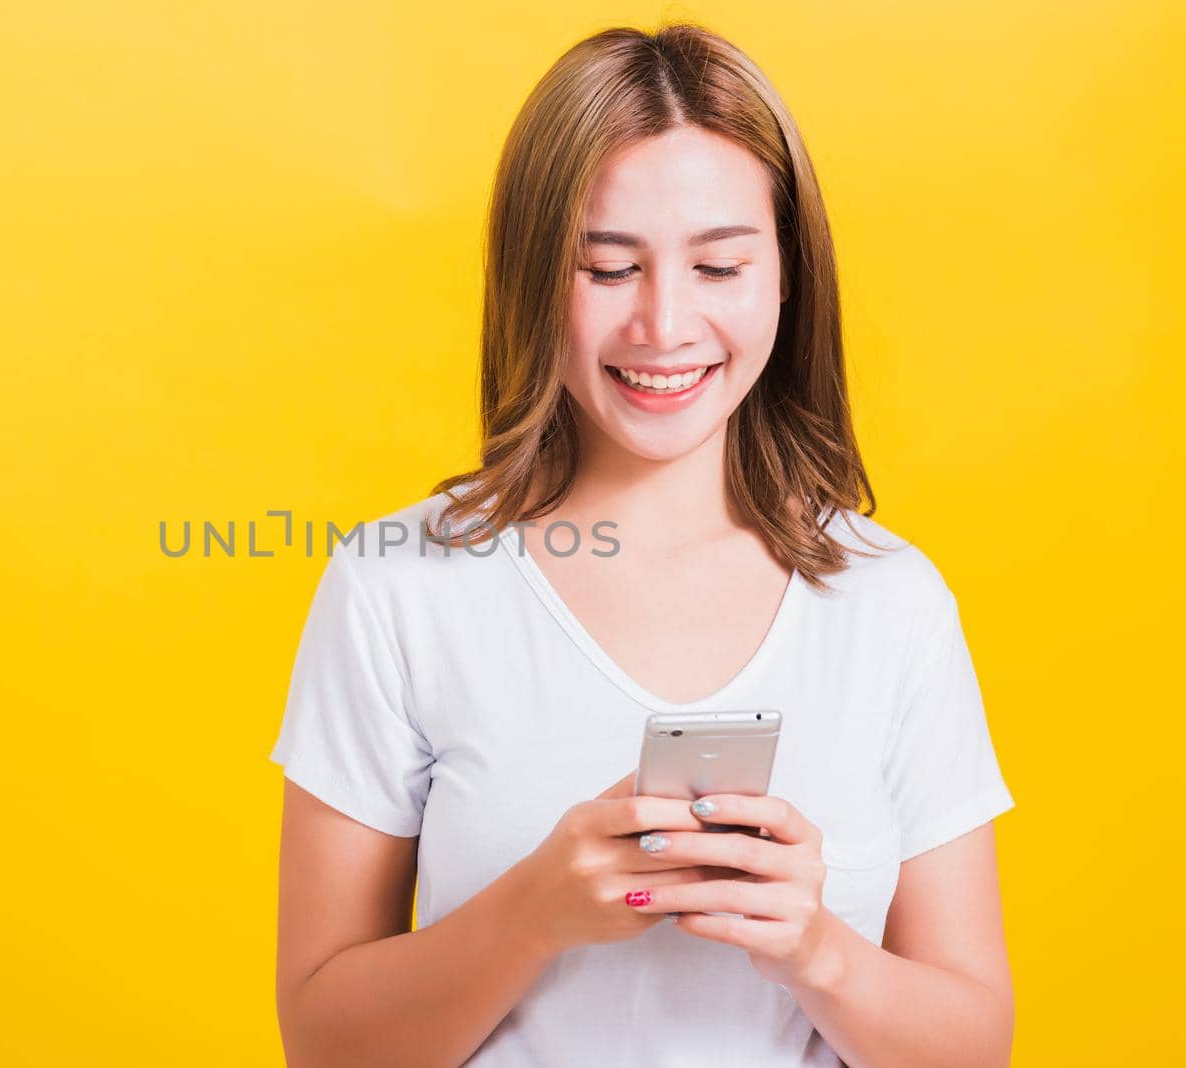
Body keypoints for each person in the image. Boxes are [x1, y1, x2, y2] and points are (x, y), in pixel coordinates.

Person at [268, 21, 1014, 1068]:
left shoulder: (890, 600)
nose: (665, 326)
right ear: (533, 278)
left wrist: (817, 952)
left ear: (787, 275)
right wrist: (529, 912)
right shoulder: (397, 586)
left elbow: (977, 1046)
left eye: (718, 264)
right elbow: (322, 1041)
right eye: (607, 268)